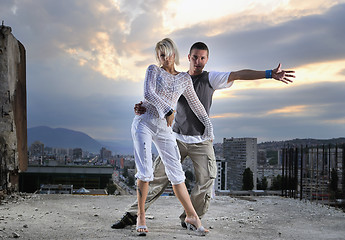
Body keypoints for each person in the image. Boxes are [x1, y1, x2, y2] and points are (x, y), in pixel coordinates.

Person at [112, 42, 295, 230]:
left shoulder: (210, 78)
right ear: (188, 57)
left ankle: (190, 217)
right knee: (157, 177)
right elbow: (154, 96)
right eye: (195, 57)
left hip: (200, 140)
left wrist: (268, 74)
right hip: (175, 136)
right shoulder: (175, 78)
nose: (198, 61)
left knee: (207, 179)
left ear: (206, 60)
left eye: (202, 58)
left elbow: (238, 74)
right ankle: (133, 215)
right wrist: (141, 107)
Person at [130, 38, 212, 236]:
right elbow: (148, 94)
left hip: (165, 129)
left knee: (177, 174)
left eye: (167, 54)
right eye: (161, 55)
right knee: (146, 171)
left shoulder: (184, 79)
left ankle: (192, 216)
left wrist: (208, 126)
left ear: (174, 53)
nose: (164, 58)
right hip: (145, 124)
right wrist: (168, 109)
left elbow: (196, 104)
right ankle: (141, 215)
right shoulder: (153, 70)